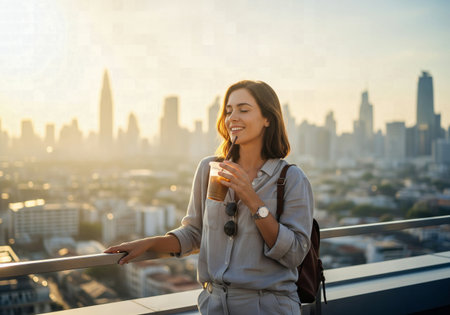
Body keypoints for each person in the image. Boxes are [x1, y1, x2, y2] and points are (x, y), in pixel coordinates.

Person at [105, 80, 314, 314]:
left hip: (268, 307)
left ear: (268, 118)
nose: (233, 117)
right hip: (213, 305)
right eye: (228, 111)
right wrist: (150, 243)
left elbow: (295, 253)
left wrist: (252, 198)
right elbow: (195, 233)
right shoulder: (209, 168)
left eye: (243, 110)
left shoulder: (291, 179)